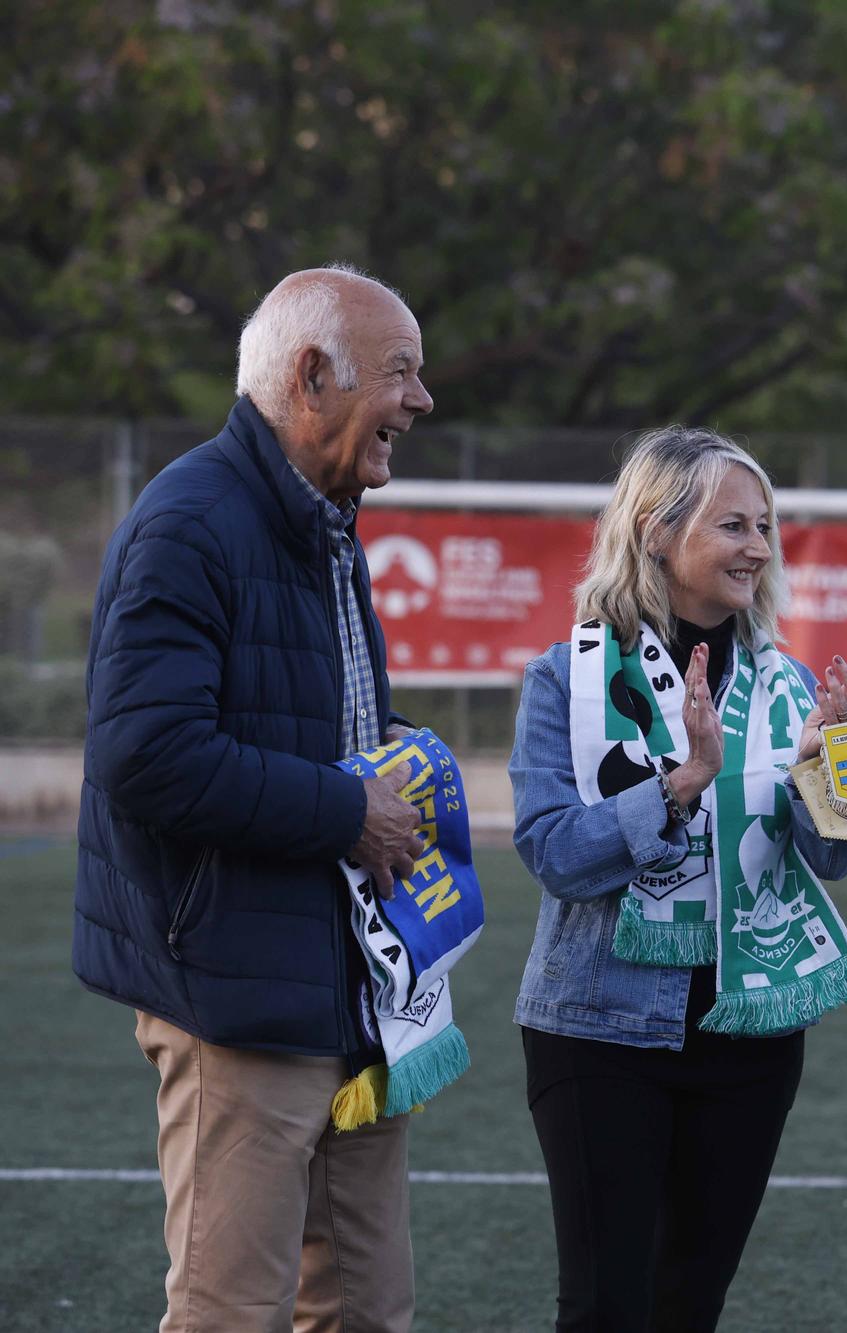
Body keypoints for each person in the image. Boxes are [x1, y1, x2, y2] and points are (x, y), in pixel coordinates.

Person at [73, 264, 435, 1332]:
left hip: (348, 998)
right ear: (312, 376)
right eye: (402, 373)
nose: (421, 402)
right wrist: (344, 808)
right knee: (230, 1312)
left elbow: (292, 720)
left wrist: (394, 758)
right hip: (234, 996)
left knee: (367, 1309)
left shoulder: (322, 516)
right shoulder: (192, 521)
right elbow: (145, 754)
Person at [510, 426, 847, 1332]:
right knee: (605, 1307)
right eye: (733, 526)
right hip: (599, 1028)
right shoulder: (566, 676)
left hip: (751, 1033)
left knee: (689, 1305)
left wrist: (827, 769)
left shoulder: (791, 683)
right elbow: (554, 852)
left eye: (764, 526)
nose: (758, 546)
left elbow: (836, 859)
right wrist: (681, 785)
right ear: (654, 530)